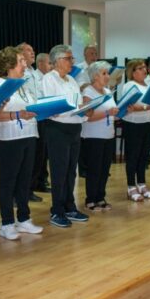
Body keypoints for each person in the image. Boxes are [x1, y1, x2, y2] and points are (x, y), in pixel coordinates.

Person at [0, 46, 43, 240]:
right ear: (9, 64)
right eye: (21, 61)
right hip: (9, 138)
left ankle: (24, 218)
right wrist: (17, 115)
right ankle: (6, 223)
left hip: (29, 135)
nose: (25, 64)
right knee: (8, 181)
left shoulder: (23, 85)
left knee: (25, 180)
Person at [41, 45, 91, 228]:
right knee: (59, 171)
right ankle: (57, 210)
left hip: (74, 127)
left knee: (71, 170)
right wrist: (76, 108)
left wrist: (85, 109)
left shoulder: (71, 80)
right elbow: (52, 108)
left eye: (72, 58)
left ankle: (70, 206)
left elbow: (76, 104)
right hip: (58, 129)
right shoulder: (49, 79)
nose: (72, 62)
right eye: (69, 58)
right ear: (58, 61)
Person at [81, 61, 119, 211]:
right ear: (95, 76)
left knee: (104, 170)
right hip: (93, 136)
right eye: (104, 73)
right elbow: (88, 116)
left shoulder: (108, 92)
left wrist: (120, 112)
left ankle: (100, 197)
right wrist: (108, 113)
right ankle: (90, 199)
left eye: (108, 73)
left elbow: (112, 112)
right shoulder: (88, 92)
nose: (107, 76)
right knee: (94, 169)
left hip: (108, 135)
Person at [120, 59, 150, 202]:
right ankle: (131, 187)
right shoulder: (129, 85)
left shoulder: (149, 85)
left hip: (149, 121)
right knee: (133, 155)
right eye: (140, 68)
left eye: (144, 67)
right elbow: (128, 106)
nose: (144, 70)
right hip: (134, 123)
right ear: (133, 72)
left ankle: (142, 184)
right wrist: (147, 107)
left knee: (143, 155)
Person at [18, 42, 45, 202]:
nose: (32, 52)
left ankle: (29, 189)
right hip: (25, 118)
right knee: (24, 160)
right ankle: (20, 192)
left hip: (38, 117)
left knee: (37, 157)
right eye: (28, 50)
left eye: (33, 50)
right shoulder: (20, 73)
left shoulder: (34, 72)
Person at [31, 51, 52, 194]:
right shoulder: (34, 77)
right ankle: (35, 183)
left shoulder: (49, 78)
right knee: (39, 152)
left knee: (44, 152)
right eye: (49, 63)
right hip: (38, 117)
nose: (51, 66)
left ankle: (42, 180)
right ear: (40, 64)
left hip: (47, 116)